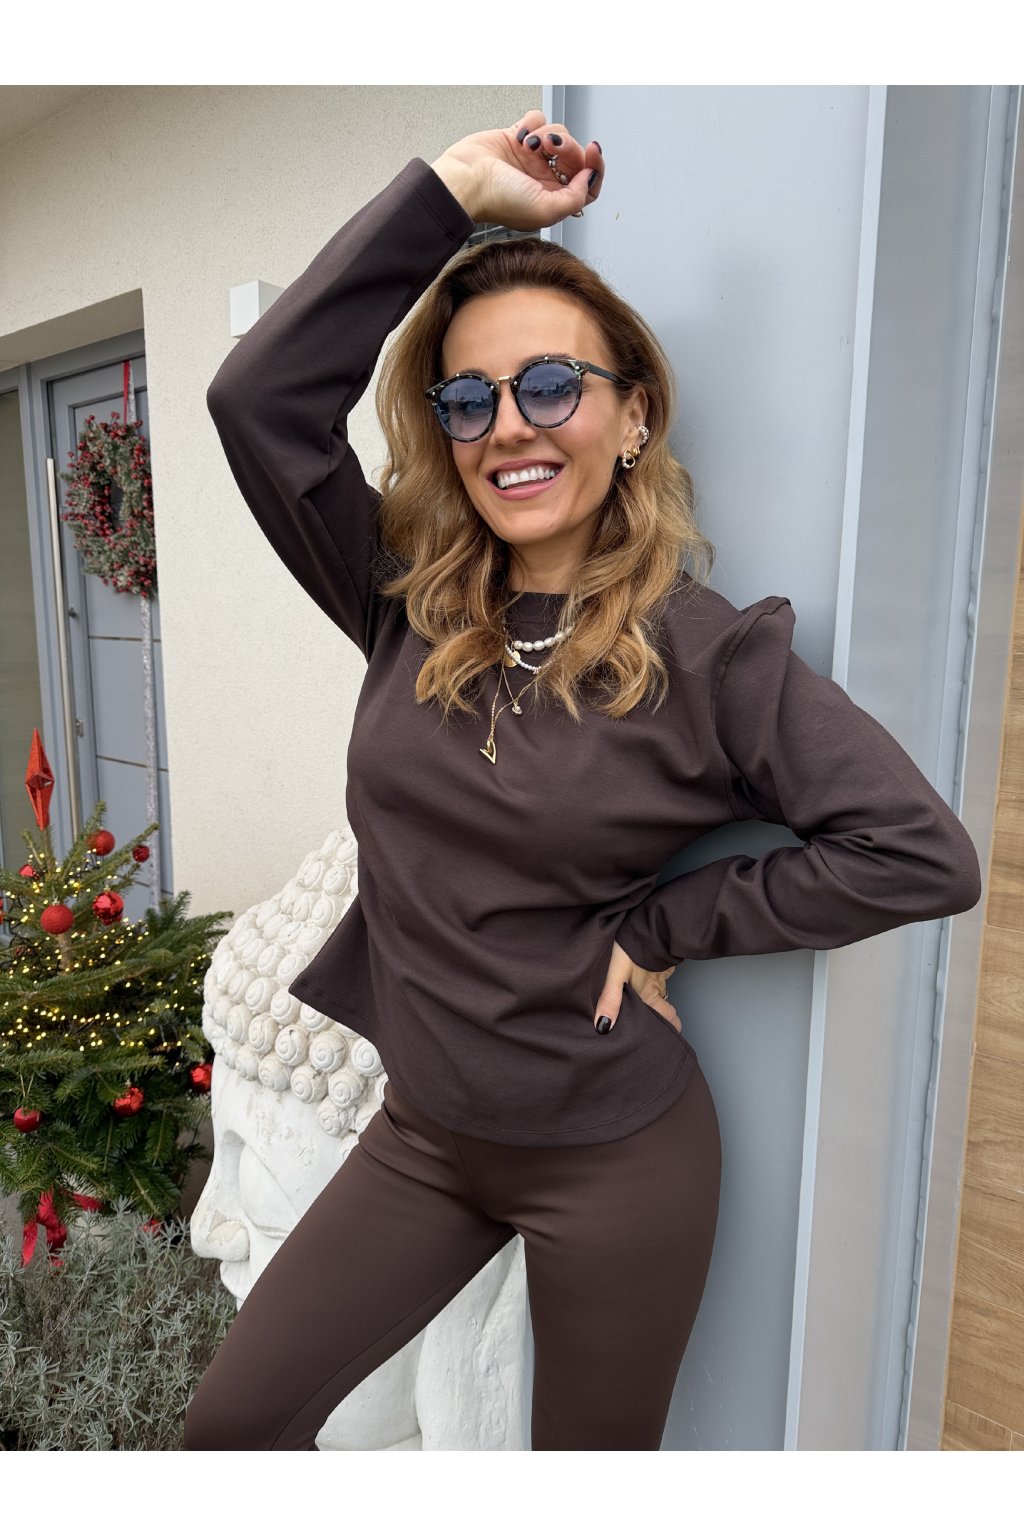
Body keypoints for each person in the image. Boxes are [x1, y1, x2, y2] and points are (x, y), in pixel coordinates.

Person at [184, 109, 982, 1452]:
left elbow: (919, 854)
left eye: (551, 385)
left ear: (633, 414)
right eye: (469, 400)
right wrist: (451, 196)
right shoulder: (402, 604)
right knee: (229, 1434)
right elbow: (256, 402)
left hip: (614, 1162)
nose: (509, 426)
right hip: (423, 1142)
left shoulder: (709, 657)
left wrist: (668, 922)